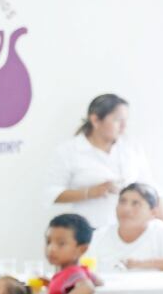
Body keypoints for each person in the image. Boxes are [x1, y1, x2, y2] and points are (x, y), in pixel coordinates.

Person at [45, 94, 154, 229]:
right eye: (118, 120)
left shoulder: (131, 147)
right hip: (92, 229)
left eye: (125, 121)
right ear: (95, 120)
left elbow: (151, 191)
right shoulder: (68, 151)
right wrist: (89, 193)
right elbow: (50, 193)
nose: (123, 127)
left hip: (131, 229)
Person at [89, 183, 163, 272]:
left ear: (153, 212)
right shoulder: (98, 236)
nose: (126, 209)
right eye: (122, 202)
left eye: (136, 204)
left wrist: (141, 264)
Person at [45, 214, 99, 294]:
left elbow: (88, 288)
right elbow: (98, 282)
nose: (51, 248)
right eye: (48, 242)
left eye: (61, 243)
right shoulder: (79, 271)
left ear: (82, 249)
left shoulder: (73, 272)